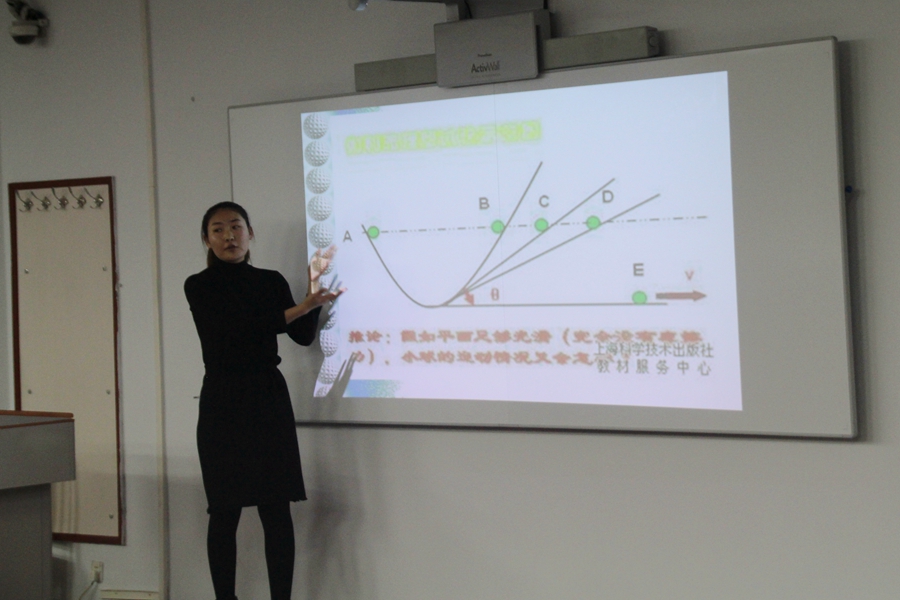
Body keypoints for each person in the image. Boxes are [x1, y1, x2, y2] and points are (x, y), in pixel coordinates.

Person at [184, 201, 342, 600]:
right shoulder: (199, 286)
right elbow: (236, 330)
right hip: (223, 402)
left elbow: (301, 335)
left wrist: (311, 294)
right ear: (206, 239)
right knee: (224, 510)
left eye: (236, 226)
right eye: (218, 229)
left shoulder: (270, 281)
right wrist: (301, 307)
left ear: (250, 233)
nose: (229, 236)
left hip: (267, 399)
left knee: (276, 509)